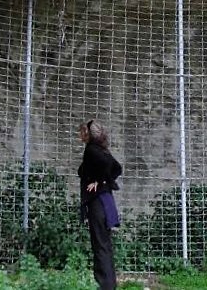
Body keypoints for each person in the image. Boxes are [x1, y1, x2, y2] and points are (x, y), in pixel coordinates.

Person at [77, 119, 122, 290]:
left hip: (99, 203)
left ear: (87, 133)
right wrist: (103, 181)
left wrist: (99, 180)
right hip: (105, 202)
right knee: (104, 244)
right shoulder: (101, 150)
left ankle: (104, 286)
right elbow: (116, 168)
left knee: (100, 245)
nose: (79, 135)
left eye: (81, 132)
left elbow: (112, 167)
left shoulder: (92, 150)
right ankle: (108, 284)